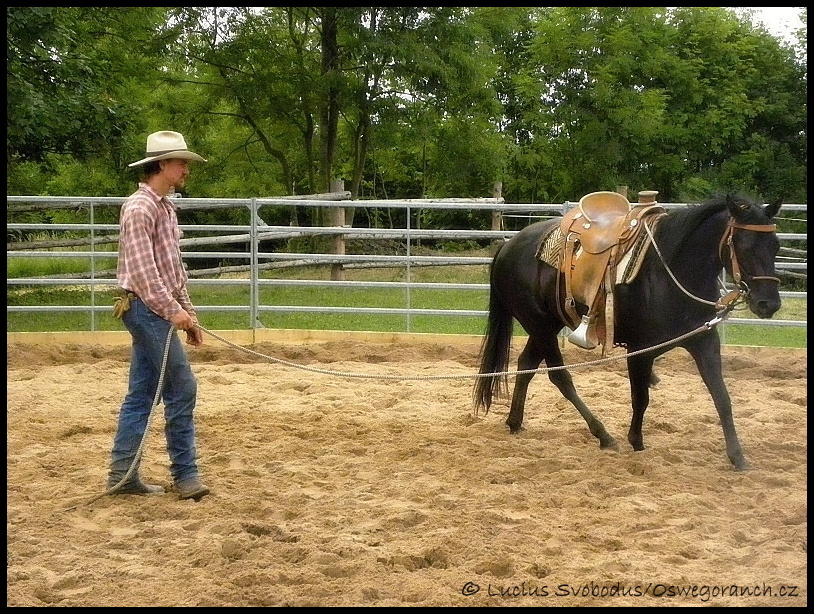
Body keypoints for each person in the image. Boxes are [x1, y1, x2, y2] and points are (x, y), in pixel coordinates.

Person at [107, 130, 210, 501]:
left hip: (154, 310)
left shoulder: (163, 207)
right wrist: (173, 311)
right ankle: (185, 475)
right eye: (181, 162)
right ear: (163, 164)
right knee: (182, 387)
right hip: (146, 310)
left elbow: (171, 269)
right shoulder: (140, 208)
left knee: (142, 394)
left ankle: (123, 474)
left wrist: (188, 314)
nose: (186, 169)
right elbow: (144, 273)